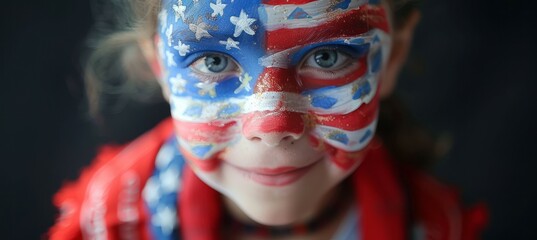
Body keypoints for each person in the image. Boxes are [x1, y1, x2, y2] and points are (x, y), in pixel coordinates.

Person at [49, 0, 487, 239]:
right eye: (214, 61)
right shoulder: (107, 230)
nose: (274, 126)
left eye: (327, 56)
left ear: (392, 60)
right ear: (161, 68)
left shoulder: (433, 226)